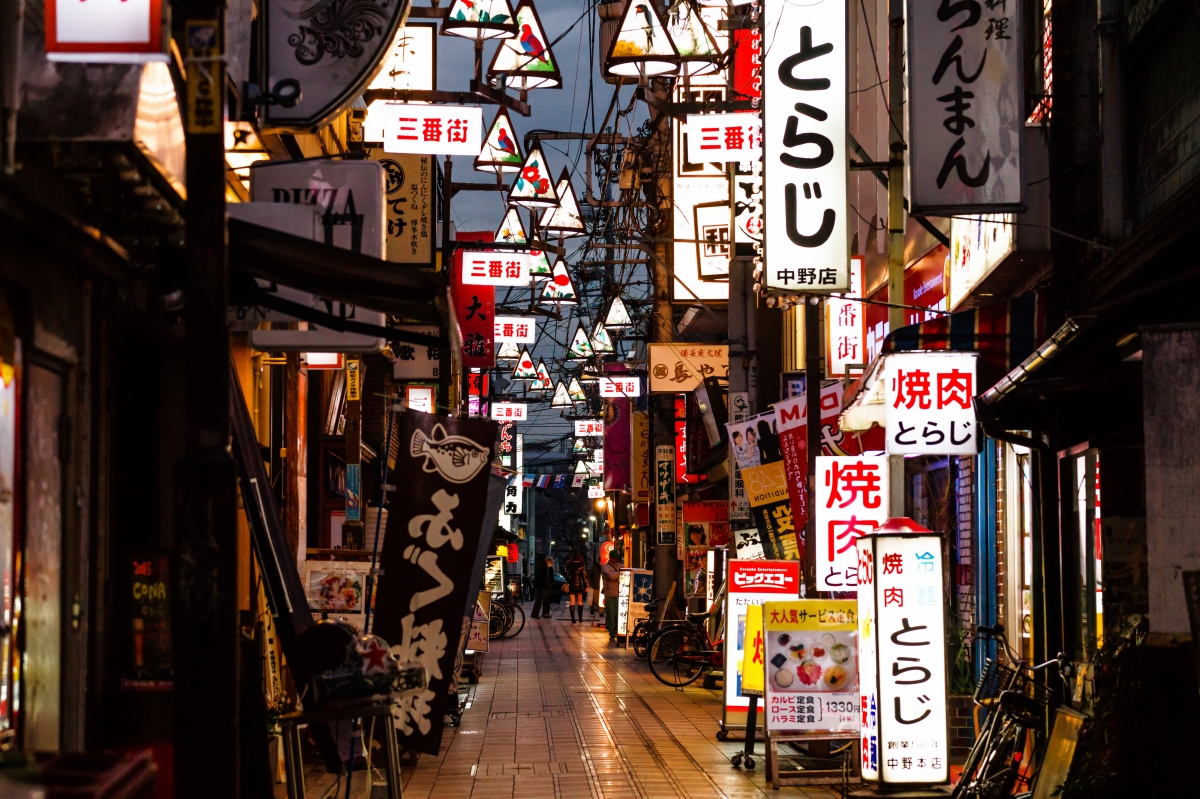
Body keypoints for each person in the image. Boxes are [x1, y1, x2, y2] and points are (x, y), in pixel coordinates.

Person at [600, 553, 622, 642]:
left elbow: (626, 573)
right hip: (609, 593)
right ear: (610, 558)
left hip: (621, 593)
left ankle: (619, 631)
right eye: (614, 558)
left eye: (617, 558)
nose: (616, 560)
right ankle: (612, 633)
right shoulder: (605, 567)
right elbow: (610, 576)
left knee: (619, 614)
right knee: (611, 613)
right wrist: (620, 574)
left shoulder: (621, 565)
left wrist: (616, 574)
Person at [564, 550, 589, 623]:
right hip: (579, 584)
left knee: (572, 601)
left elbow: (567, 574)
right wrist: (586, 586)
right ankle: (580, 618)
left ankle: (573, 618)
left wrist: (569, 581)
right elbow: (584, 576)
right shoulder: (582, 565)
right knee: (580, 601)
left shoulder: (569, 564)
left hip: (572, 584)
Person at [531, 555, 554, 619]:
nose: (551, 564)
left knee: (546, 600)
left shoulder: (545, 567)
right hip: (541, 586)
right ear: (548, 561)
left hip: (544, 586)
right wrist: (548, 583)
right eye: (551, 562)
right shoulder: (542, 567)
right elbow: (542, 578)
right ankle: (535, 614)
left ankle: (545, 613)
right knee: (539, 600)